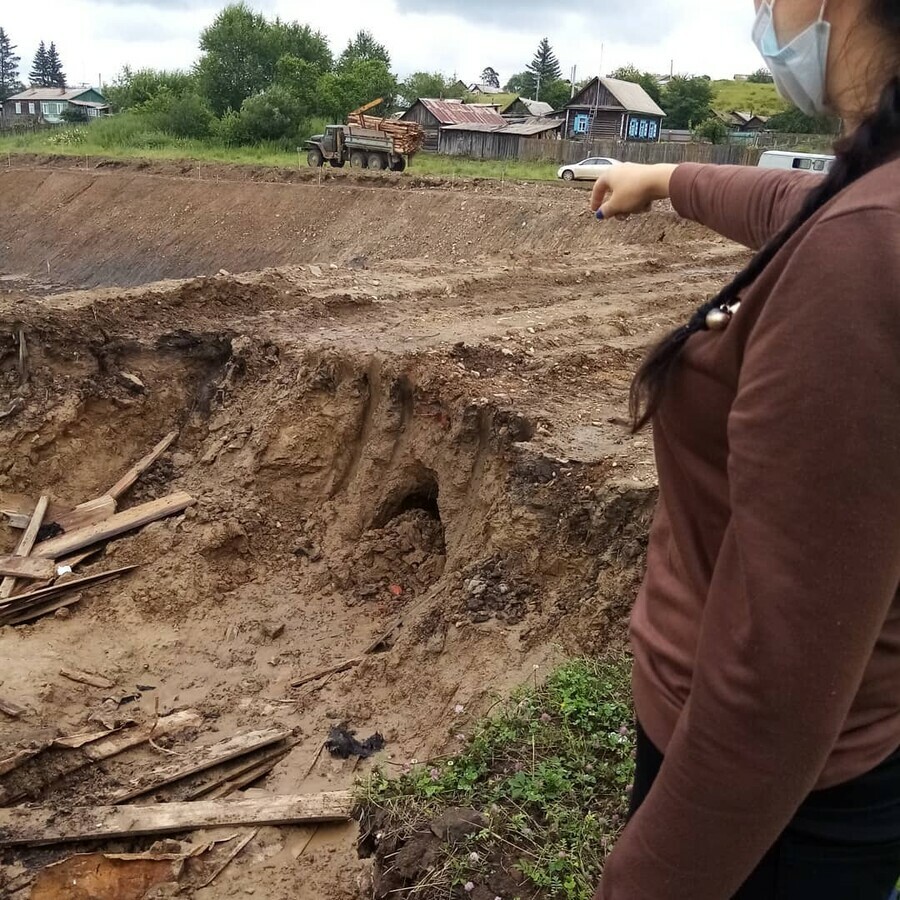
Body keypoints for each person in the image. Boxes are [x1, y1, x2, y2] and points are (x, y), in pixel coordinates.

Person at [588, 1, 900, 898]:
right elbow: (798, 203)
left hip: (774, 827)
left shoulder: (865, 256)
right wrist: (665, 177)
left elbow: (771, 693)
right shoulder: (868, 207)